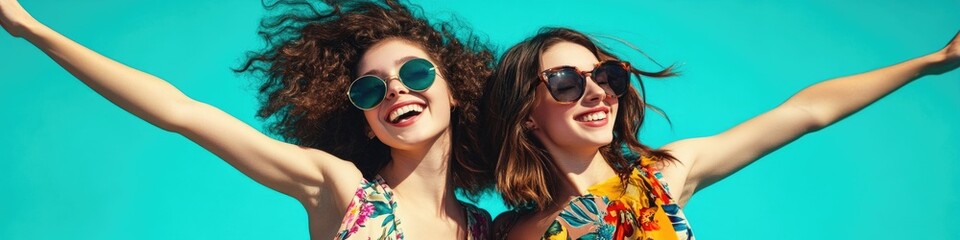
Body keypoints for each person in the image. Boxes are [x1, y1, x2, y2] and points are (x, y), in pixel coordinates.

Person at [0, 0, 495, 239]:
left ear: (455, 91)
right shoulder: (342, 188)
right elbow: (182, 113)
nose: (395, 89)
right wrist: (29, 28)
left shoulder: (488, 229)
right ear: (366, 121)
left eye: (413, 71)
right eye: (370, 89)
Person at [480, 27, 959, 239]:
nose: (597, 93)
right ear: (526, 115)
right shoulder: (509, 233)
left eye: (607, 76)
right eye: (566, 82)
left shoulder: (659, 178)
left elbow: (806, 111)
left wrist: (932, 63)